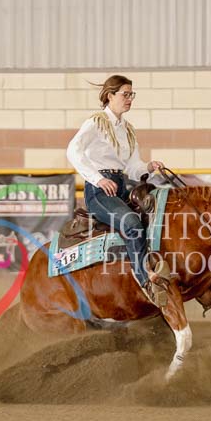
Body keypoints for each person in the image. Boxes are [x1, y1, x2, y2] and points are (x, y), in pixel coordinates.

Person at [66, 75, 171, 307]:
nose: (129, 99)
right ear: (110, 95)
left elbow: (133, 168)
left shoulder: (127, 130)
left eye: (131, 94)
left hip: (120, 187)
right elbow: (73, 151)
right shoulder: (96, 122)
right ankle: (145, 281)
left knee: (154, 220)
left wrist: (148, 167)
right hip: (99, 192)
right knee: (132, 223)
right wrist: (98, 179)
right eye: (125, 94)